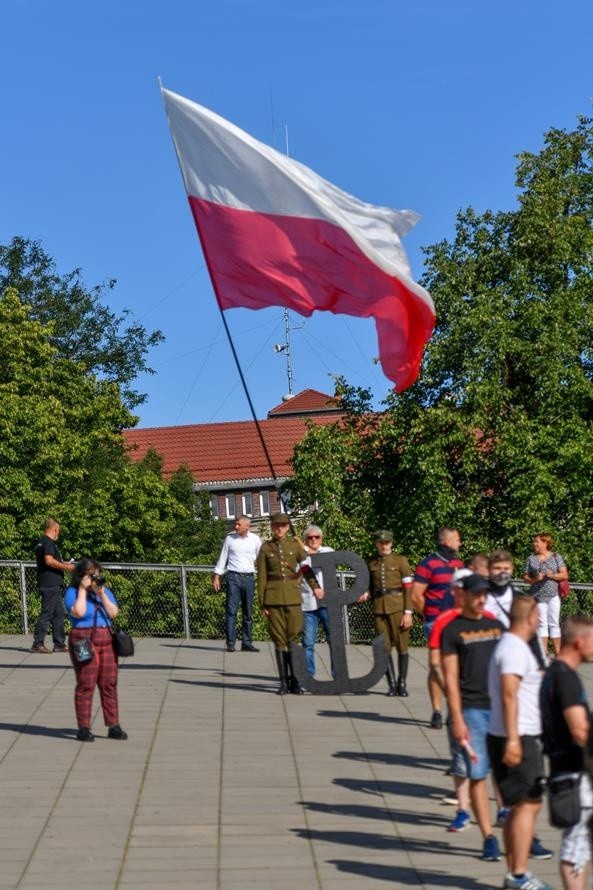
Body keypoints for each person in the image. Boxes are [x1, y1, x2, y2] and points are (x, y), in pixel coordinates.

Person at [487, 596, 551, 890]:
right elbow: (509, 694)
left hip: (517, 735)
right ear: (528, 618)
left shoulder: (514, 646)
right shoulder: (513, 648)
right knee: (527, 805)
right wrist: (513, 740)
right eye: (537, 616)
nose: (539, 621)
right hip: (517, 737)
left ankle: (516, 872)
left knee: (520, 806)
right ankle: (519, 874)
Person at [441, 572, 504, 861]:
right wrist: (457, 718)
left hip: (501, 710)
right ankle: (488, 836)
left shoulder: (496, 626)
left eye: (485, 595)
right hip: (472, 710)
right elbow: (451, 679)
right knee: (478, 775)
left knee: (506, 773)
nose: (482, 599)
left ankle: (517, 827)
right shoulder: (452, 631)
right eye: (477, 594)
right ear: (464, 595)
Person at [540, 615, 593, 890]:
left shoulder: (554, 673)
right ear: (580, 641)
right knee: (574, 848)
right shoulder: (566, 679)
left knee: (580, 847)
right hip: (573, 774)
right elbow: (580, 730)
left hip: (565, 770)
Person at [257, 513, 322, 694]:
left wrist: (315, 586)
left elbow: (305, 568)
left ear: (287, 527)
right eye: (276, 525)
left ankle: (295, 681)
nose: (279, 528)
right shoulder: (265, 548)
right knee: (279, 641)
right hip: (273, 599)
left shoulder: (295, 546)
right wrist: (262, 603)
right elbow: (262, 577)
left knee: (293, 639)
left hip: (293, 598)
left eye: (283, 525)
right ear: (272, 527)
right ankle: (284, 683)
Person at [64, 558, 127, 742]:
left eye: (97, 575)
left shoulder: (103, 592)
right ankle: (84, 727)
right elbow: (78, 613)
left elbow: (114, 613)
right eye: (91, 575)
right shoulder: (72, 592)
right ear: (81, 576)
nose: (95, 579)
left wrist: (102, 594)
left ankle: (113, 725)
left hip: (106, 639)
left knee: (109, 683)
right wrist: (83, 590)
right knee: (86, 683)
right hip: (82, 640)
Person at [411, 527, 464, 728]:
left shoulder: (459, 564)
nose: (460, 544)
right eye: (457, 540)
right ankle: (437, 710)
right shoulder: (428, 564)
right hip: (436, 623)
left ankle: (453, 709)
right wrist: (430, 615)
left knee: (457, 668)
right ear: (447, 542)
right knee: (438, 667)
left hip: (458, 622)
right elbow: (416, 595)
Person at [364, 530, 413, 696]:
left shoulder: (401, 561)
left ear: (391, 543)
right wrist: (365, 593)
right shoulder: (371, 563)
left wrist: (408, 612)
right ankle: (391, 684)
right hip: (379, 609)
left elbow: (408, 589)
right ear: (376, 544)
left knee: (402, 646)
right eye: (380, 542)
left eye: (386, 542)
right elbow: (370, 587)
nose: (384, 545)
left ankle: (402, 683)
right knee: (383, 648)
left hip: (398, 608)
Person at [213, 515, 262, 652]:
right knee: (231, 611)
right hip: (233, 577)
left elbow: (262, 558)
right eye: (236, 524)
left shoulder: (255, 540)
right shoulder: (230, 539)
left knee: (248, 612)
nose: (236, 527)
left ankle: (247, 643)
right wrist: (217, 576)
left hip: (249, 578)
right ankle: (230, 643)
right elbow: (223, 558)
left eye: (238, 524)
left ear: (247, 526)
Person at [31, 518, 74, 653]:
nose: (58, 533)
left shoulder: (41, 542)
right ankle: (38, 643)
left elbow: (48, 561)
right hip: (50, 584)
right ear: (54, 529)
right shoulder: (48, 542)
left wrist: (63, 564)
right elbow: (49, 561)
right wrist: (67, 567)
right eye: (58, 530)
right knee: (47, 613)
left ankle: (59, 644)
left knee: (59, 614)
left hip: (51, 583)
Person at [524, 533, 568, 657]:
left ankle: (558, 653)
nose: (535, 544)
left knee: (554, 623)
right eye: (534, 541)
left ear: (545, 543)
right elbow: (525, 577)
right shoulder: (531, 558)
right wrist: (535, 579)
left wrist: (552, 575)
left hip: (553, 595)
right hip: (537, 596)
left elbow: (564, 575)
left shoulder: (556, 556)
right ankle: (544, 653)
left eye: (537, 542)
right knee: (542, 624)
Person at [300, 525, 334, 679]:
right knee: (308, 643)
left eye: (317, 537)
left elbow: (324, 562)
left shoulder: (328, 551)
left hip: (327, 604)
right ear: (305, 539)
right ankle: (309, 675)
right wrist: (305, 553)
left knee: (334, 640)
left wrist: (309, 552)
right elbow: (304, 569)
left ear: (321, 539)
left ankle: (337, 673)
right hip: (308, 604)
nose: (313, 540)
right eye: (310, 537)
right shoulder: (301, 555)